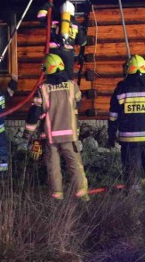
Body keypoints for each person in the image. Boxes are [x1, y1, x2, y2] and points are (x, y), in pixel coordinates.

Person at [24, 53, 89, 201]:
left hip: (50, 136)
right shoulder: (72, 85)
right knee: (75, 165)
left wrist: (28, 133)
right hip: (70, 135)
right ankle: (82, 194)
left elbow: (35, 113)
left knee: (53, 167)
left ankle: (57, 196)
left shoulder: (43, 88)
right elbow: (78, 103)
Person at [108, 55, 145, 192]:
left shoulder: (121, 90)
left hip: (129, 139)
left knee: (131, 165)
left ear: (128, 69)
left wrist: (111, 134)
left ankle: (134, 192)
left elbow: (113, 115)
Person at [37, 0, 86, 79]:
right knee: (68, 77)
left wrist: (46, 6)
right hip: (68, 52)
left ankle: (52, 89)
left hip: (53, 51)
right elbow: (82, 42)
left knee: (52, 73)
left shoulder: (53, 21)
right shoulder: (76, 24)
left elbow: (40, 16)